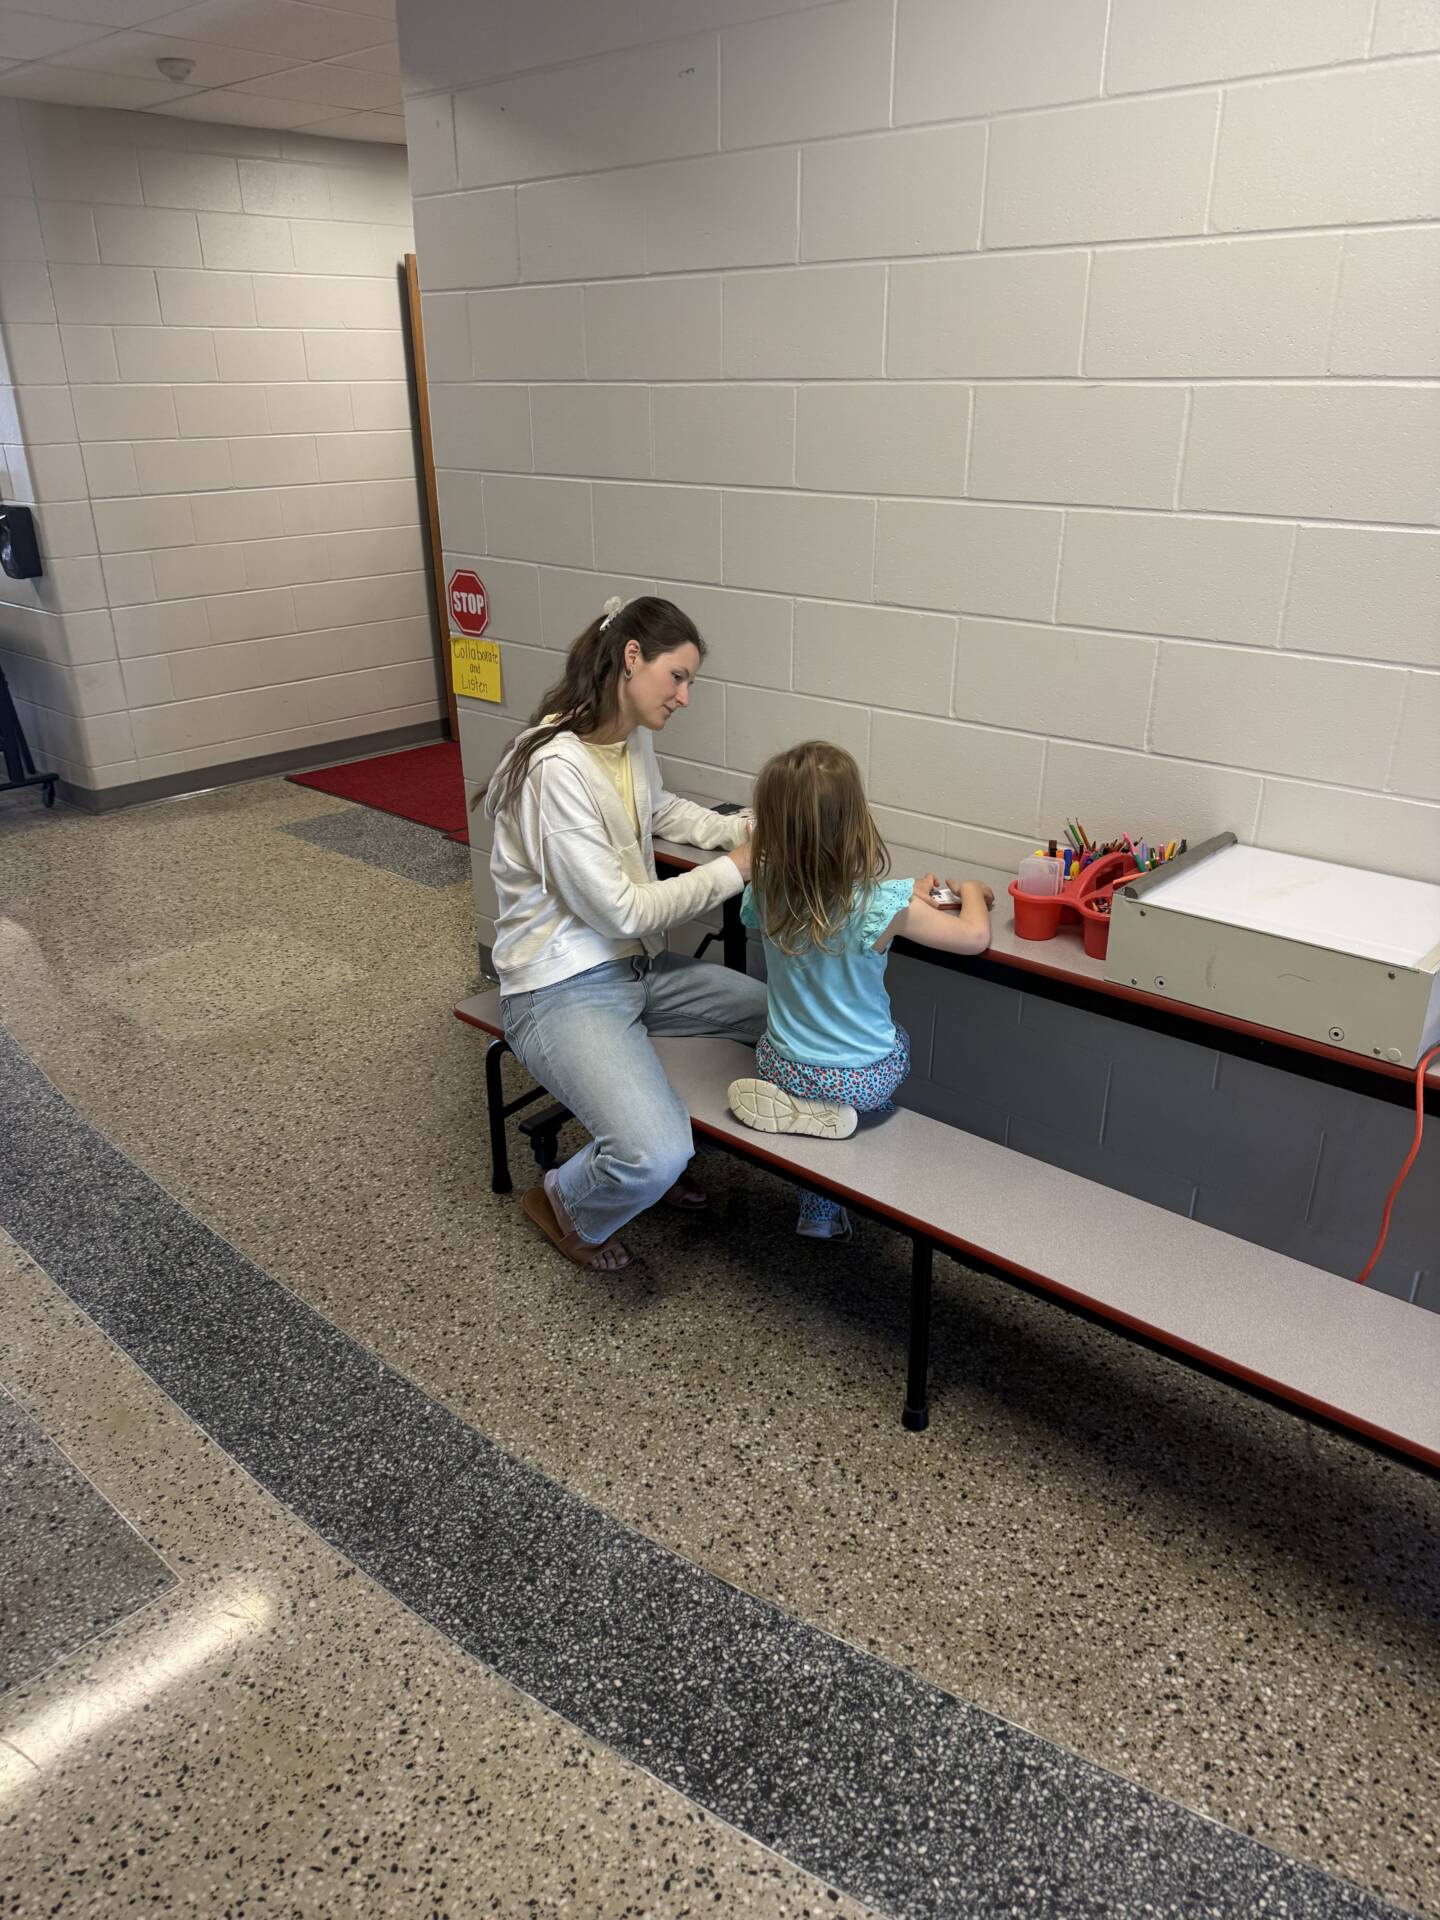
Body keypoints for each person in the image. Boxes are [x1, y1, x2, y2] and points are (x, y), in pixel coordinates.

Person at [483, 595, 766, 1273]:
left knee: (776, 1012)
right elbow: (624, 913)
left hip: (633, 974)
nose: (686, 696)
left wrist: (740, 829)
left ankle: (648, 1164)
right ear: (631, 658)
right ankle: (569, 1202)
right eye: (679, 676)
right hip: (559, 991)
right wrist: (739, 867)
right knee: (653, 1151)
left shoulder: (626, 738)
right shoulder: (554, 769)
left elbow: (655, 808)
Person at [727, 740, 993, 1241]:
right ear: (855, 824)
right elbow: (974, 938)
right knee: (899, 1045)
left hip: (780, 1065)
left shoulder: (764, 892)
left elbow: (822, 894)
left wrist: (904, 888)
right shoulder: (881, 907)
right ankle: (843, 1129)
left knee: (817, 1094)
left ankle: (817, 1211)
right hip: (863, 1079)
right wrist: (974, 892)